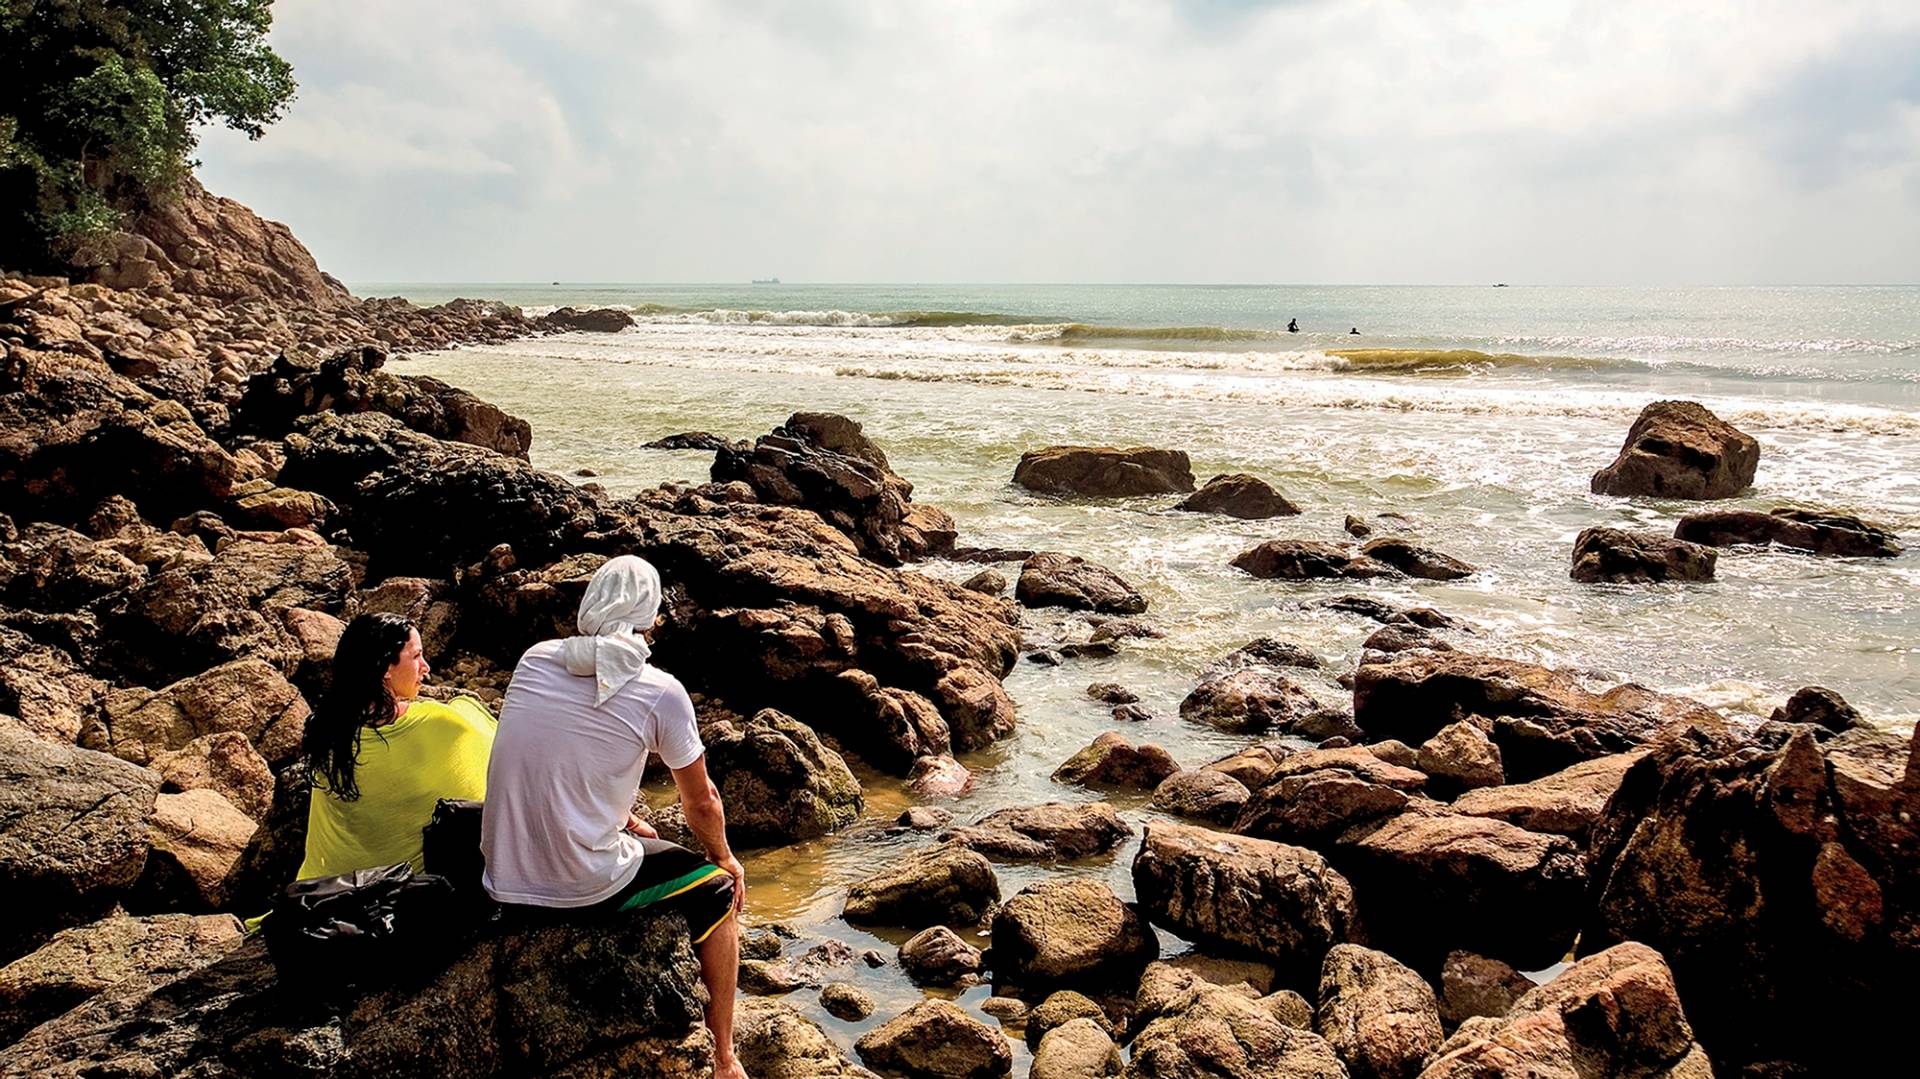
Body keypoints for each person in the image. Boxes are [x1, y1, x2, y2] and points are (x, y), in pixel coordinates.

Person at [481, 555, 748, 1079]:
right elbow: (702, 801)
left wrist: (623, 814)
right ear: (649, 616)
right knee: (717, 890)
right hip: (580, 886)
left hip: (502, 879)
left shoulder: (535, 659)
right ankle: (723, 1054)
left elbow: (560, 755)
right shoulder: (661, 691)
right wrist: (724, 856)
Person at [298, 613, 496, 880]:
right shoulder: (443, 723)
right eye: (416, 657)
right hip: (431, 891)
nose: (425, 667)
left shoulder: (331, 736)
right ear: (385, 668)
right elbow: (494, 749)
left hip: (346, 891)